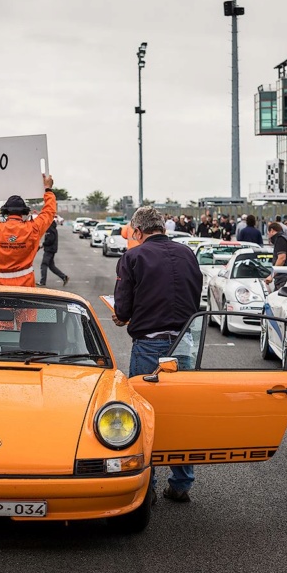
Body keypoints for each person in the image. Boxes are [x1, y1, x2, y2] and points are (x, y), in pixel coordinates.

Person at [112, 206, 202, 503]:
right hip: (183, 343)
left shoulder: (133, 256)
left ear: (137, 231)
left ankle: (145, 488)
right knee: (183, 413)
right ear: (163, 227)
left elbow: (123, 308)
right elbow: (195, 293)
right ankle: (182, 483)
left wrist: (122, 315)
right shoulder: (187, 253)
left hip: (149, 344)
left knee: (143, 415)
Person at [0, 173, 57, 287]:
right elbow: (49, 212)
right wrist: (48, 189)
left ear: (5, 212)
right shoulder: (33, 228)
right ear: (24, 213)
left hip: (2, 286)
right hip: (26, 285)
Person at [266, 222, 287, 292]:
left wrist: (272, 275)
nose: (268, 236)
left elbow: (281, 258)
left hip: (284, 277)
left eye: (268, 233)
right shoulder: (286, 238)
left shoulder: (280, 239)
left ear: (272, 230)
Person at [38, 220, 68, 286]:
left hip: (49, 249)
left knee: (44, 264)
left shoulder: (50, 228)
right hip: (52, 249)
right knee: (51, 266)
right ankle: (63, 277)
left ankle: (42, 281)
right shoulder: (52, 227)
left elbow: (50, 240)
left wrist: (43, 244)